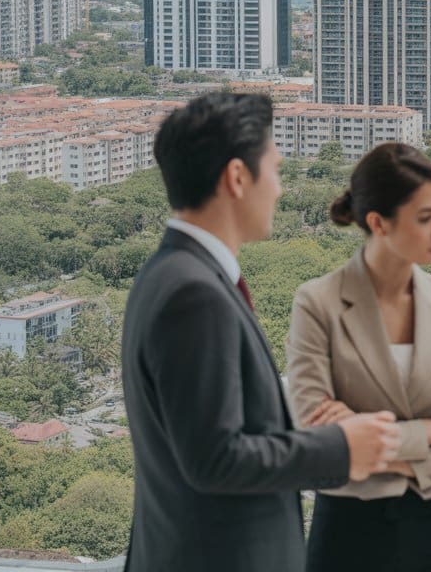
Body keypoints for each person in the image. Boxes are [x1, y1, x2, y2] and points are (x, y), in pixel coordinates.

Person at [121, 93, 403, 572]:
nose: (279, 189)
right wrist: (342, 447)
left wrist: (297, 427)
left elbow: (205, 433)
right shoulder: (195, 294)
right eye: (275, 169)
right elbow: (215, 457)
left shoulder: (170, 274)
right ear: (236, 177)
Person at [286, 142, 431, 572]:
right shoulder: (317, 302)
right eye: (425, 217)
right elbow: (315, 428)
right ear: (378, 223)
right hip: (344, 535)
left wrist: (401, 461)